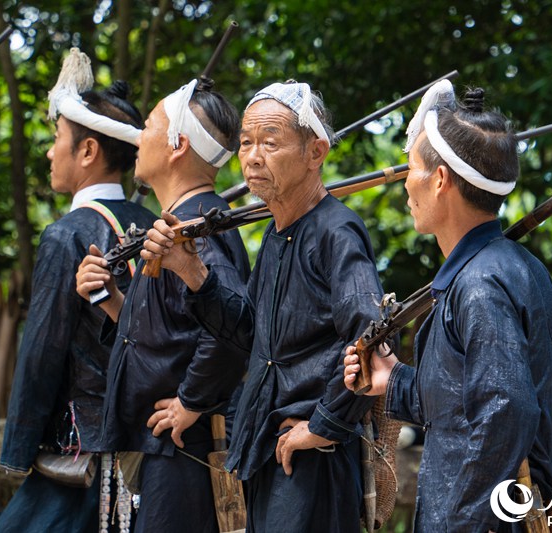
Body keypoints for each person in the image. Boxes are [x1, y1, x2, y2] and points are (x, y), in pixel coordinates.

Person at [142, 81, 384, 532]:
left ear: (315, 152)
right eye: (246, 143)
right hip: (270, 448)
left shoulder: (336, 231)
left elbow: (372, 337)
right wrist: (191, 270)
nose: (253, 157)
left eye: (270, 143)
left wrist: (323, 424)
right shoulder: (276, 235)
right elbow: (253, 336)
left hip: (313, 460)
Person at [343, 81, 552, 532]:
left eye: (412, 168)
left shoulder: (480, 284)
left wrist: (462, 523)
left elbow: (506, 409)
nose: (406, 183)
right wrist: (395, 381)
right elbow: (464, 400)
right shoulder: (514, 267)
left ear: (440, 180)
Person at [75, 77, 249, 533]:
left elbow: (233, 332)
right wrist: (111, 298)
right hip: (165, 447)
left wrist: (191, 401)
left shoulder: (199, 231)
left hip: (184, 448)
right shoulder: (180, 222)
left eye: (150, 125)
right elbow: (172, 331)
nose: (139, 136)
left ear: (177, 145)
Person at [0, 49, 156, 532]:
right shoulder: (155, 225)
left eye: (56, 140)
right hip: (144, 453)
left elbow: (42, 352)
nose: (50, 152)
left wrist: (17, 452)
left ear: (87, 152)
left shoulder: (66, 235)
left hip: (79, 451)